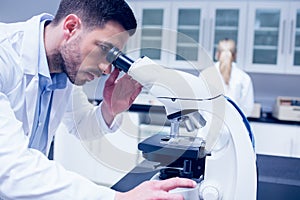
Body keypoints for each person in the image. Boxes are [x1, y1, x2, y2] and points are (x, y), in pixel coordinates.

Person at [0, 0, 196, 199]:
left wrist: (109, 109)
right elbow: (10, 168)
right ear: (71, 27)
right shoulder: (5, 55)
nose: (105, 68)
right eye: (103, 49)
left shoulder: (64, 72)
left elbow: (81, 125)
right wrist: (118, 198)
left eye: (112, 57)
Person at [215, 38, 254, 117]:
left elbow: (199, 106)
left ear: (217, 54)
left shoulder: (205, 75)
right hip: (235, 127)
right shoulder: (244, 78)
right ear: (235, 55)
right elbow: (248, 109)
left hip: (210, 126)